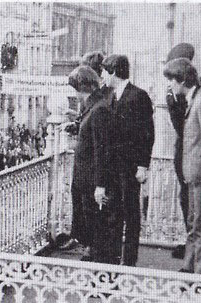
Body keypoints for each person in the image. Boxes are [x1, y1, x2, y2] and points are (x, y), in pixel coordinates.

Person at [163, 58, 201, 275]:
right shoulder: (196, 99)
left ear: (181, 80)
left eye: (171, 80)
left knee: (200, 228)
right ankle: (190, 269)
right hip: (194, 176)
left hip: (200, 177)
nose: (169, 85)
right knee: (194, 225)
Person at [101, 54, 155, 266]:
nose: (103, 76)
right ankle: (114, 260)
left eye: (105, 71)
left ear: (114, 71)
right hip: (115, 167)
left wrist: (143, 165)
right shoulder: (113, 96)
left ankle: (129, 262)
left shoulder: (138, 96)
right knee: (114, 214)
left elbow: (147, 133)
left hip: (131, 167)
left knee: (131, 215)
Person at [66, 66, 120, 263]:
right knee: (91, 227)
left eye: (75, 90)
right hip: (86, 179)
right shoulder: (95, 106)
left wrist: (100, 185)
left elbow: (102, 151)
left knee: (97, 230)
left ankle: (101, 276)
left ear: (82, 87)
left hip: (91, 182)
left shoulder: (99, 110)